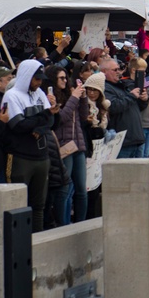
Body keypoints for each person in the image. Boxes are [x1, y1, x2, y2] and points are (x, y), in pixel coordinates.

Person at [1, 60, 56, 232]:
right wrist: (43, 118)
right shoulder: (12, 95)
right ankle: (17, 244)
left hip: (42, 156)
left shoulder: (39, 93)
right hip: (20, 157)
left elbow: (52, 119)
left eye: (40, 79)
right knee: (18, 204)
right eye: (36, 79)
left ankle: (37, 240)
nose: (39, 83)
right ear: (26, 77)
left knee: (39, 204)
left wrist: (41, 125)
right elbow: (18, 125)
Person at [46, 65, 89, 223]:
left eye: (66, 78)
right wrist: (75, 97)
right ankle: (62, 225)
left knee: (81, 190)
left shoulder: (70, 94)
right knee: (64, 189)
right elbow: (61, 118)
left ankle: (81, 223)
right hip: (64, 146)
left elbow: (84, 116)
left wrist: (83, 98)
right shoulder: (51, 97)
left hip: (78, 144)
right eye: (61, 78)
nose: (65, 81)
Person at [99, 58, 148, 158]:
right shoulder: (104, 88)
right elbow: (113, 106)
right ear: (104, 72)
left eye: (119, 69)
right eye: (115, 70)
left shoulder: (122, 85)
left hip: (135, 139)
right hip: (122, 143)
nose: (118, 72)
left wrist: (144, 99)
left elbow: (138, 108)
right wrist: (132, 96)